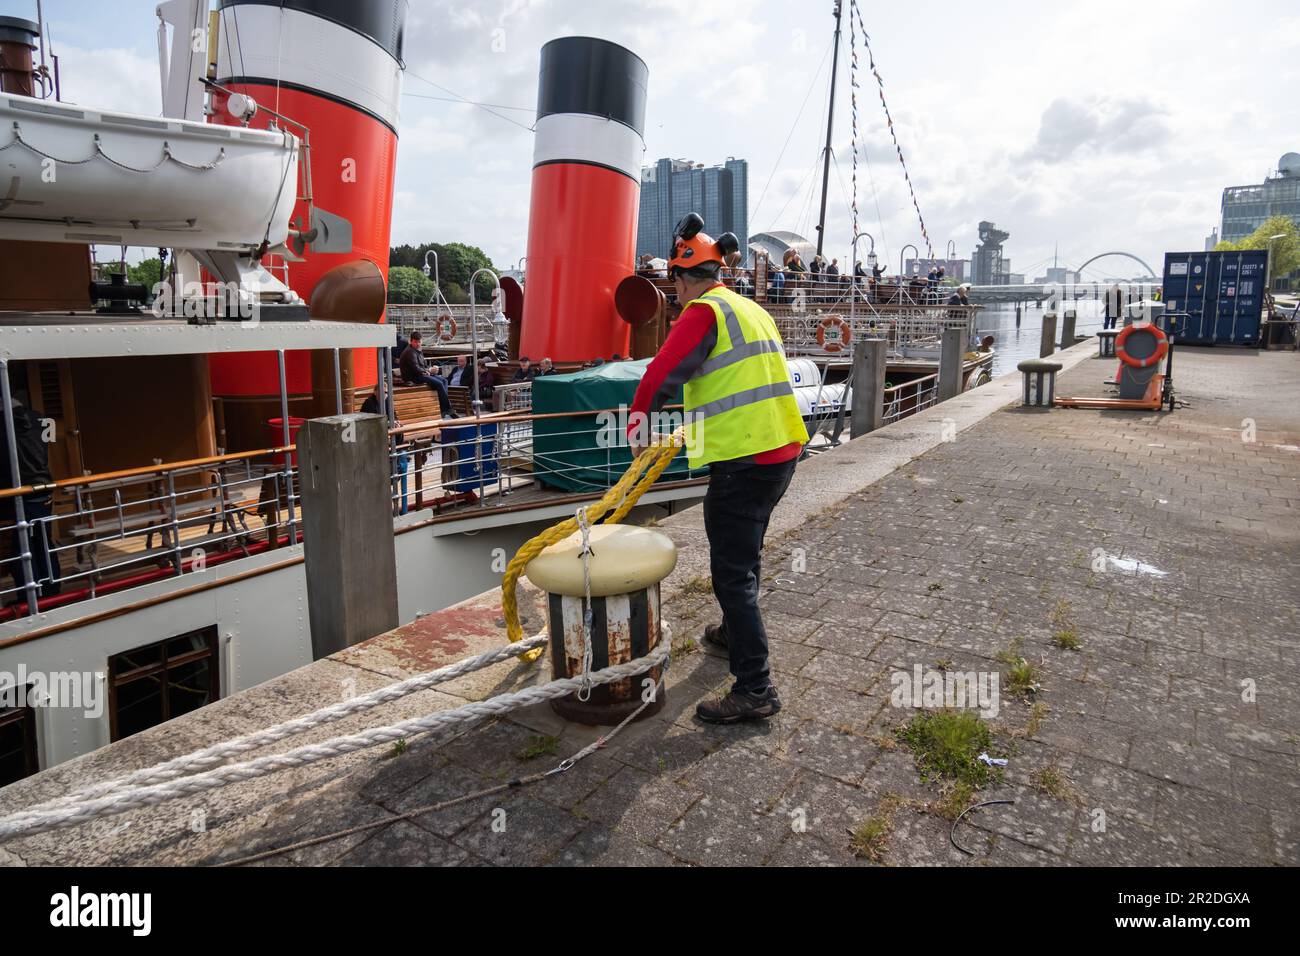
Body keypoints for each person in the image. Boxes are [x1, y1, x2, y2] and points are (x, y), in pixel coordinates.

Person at [629, 213, 808, 724]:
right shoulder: (749, 309)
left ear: (685, 279)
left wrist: (637, 426)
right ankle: (733, 633)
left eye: (675, 286)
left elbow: (661, 373)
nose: (676, 296)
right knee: (743, 553)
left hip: (743, 462)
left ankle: (755, 687)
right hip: (779, 453)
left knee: (731, 573)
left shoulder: (703, 312)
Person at [0, 397, 60, 598]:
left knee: (22, 546)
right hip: (43, 489)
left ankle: (29, 596)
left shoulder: (4, 424)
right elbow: (47, 446)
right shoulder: (41, 419)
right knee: (44, 541)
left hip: (18, 493)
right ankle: (52, 590)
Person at [398, 331, 455, 418]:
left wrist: (431, 369)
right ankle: (447, 408)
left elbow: (423, 365)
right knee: (439, 384)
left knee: (444, 380)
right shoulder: (410, 352)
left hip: (421, 374)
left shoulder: (418, 350)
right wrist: (429, 370)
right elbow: (416, 369)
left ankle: (444, 408)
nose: (418, 344)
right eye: (416, 342)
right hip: (413, 377)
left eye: (419, 342)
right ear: (411, 341)